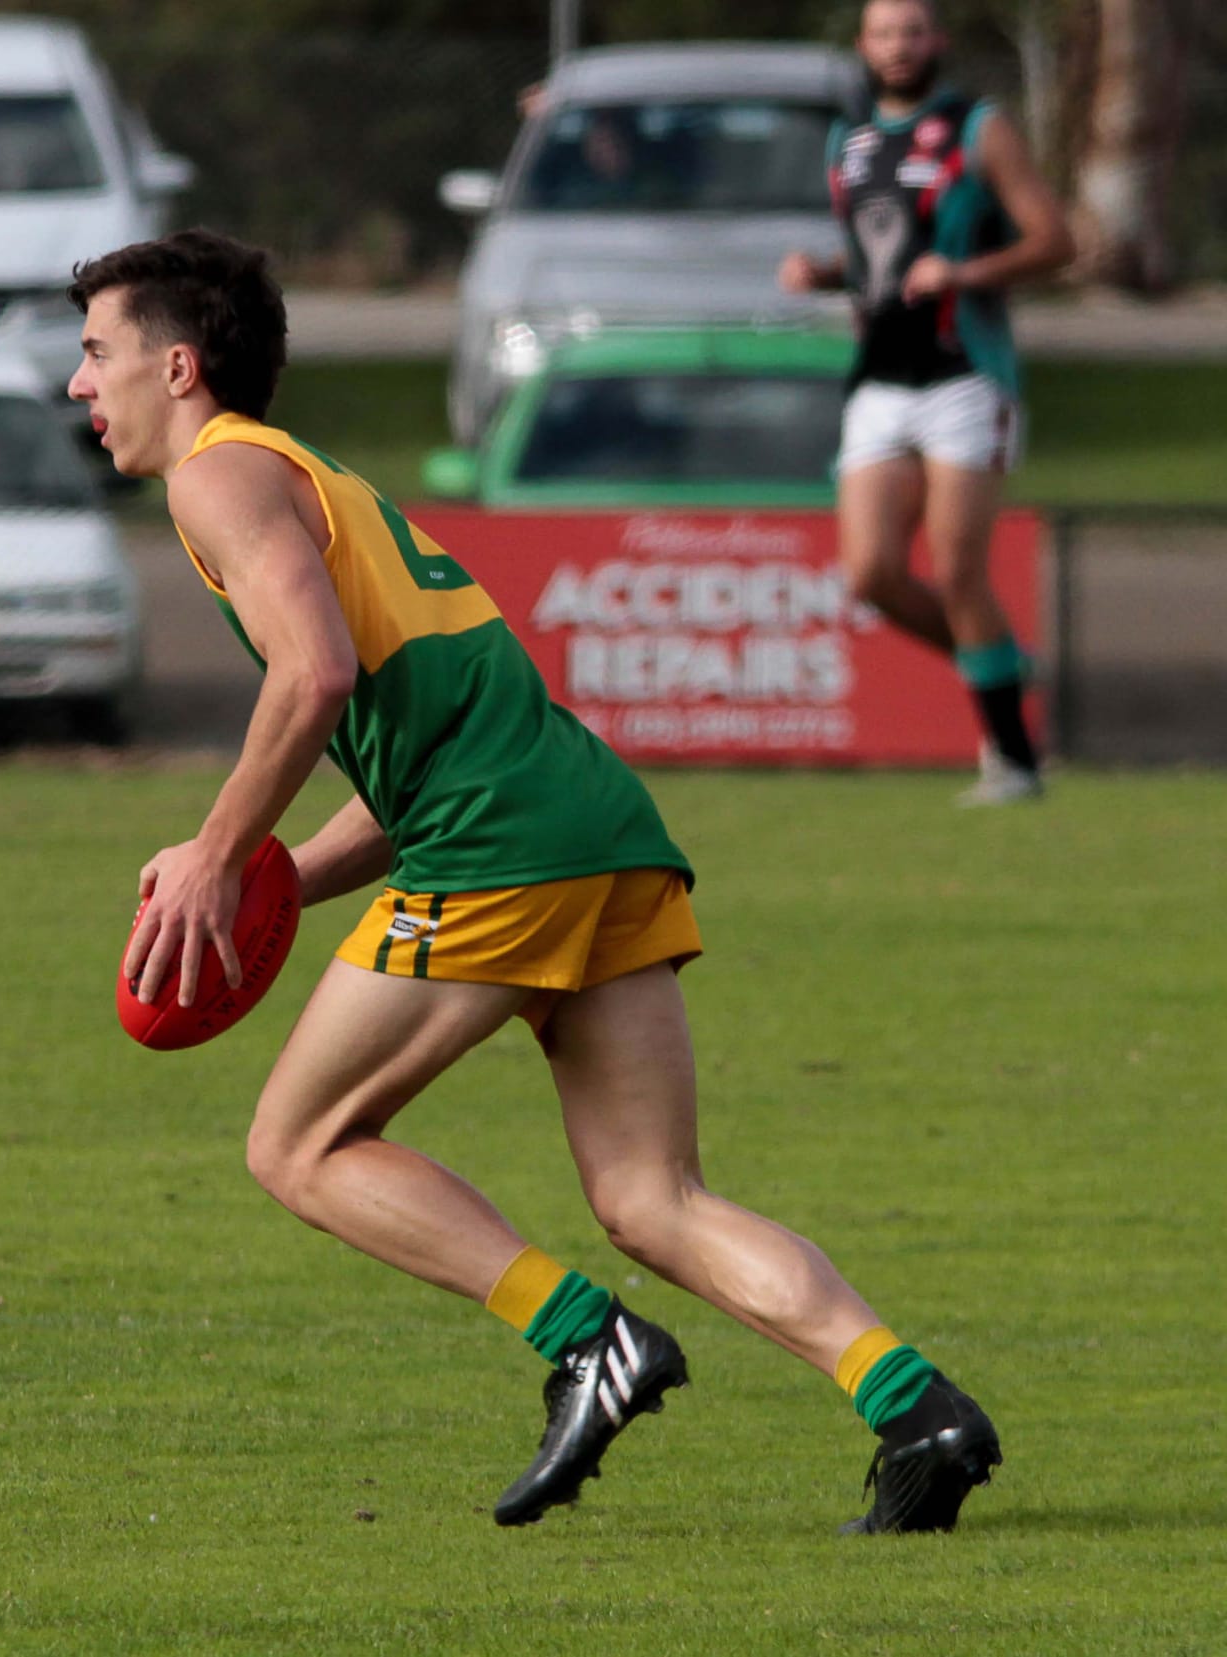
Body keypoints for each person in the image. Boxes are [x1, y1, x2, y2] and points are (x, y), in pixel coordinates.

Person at [68, 226, 1002, 1533]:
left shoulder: (216, 478)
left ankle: (586, 1343)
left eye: (95, 350)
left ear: (177, 368)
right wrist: (263, 872)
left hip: (501, 843)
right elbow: (411, 760)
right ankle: (915, 1404)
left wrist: (218, 852)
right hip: (590, 819)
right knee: (651, 1196)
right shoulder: (306, 476)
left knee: (298, 1144)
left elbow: (315, 675)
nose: (77, 382)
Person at [780, 0, 1074, 806]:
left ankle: (1013, 762)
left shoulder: (981, 129)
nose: (899, 47)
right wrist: (825, 272)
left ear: (936, 42)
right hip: (878, 382)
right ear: (863, 46)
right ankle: (1001, 668)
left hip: (963, 379)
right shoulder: (852, 141)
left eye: (913, 32)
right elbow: (884, 252)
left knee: (957, 568)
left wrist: (965, 275)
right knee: (870, 571)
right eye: (884, 34)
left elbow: (1056, 241)